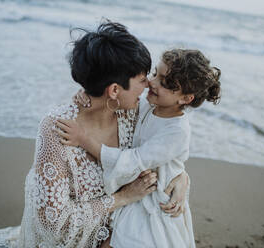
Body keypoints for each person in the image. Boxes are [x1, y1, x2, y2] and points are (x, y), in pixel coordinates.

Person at [18, 21, 190, 248]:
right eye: (141, 80)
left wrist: (182, 177)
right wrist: (122, 198)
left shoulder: (134, 113)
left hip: (119, 234)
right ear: (115, 90)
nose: (149, 84)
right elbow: (52, 223)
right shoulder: (56, 129)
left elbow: (164, 147)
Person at [56, 48, 221, 247]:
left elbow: (135, 160)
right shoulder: (149, 105)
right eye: (155, 73)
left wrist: (84, 140)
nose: (152, 82)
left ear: (186, 98)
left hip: (154, 199)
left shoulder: (177, 131)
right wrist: (89, 92)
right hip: (136, 187)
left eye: (166, 83)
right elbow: (115, 98)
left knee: (126, 241)